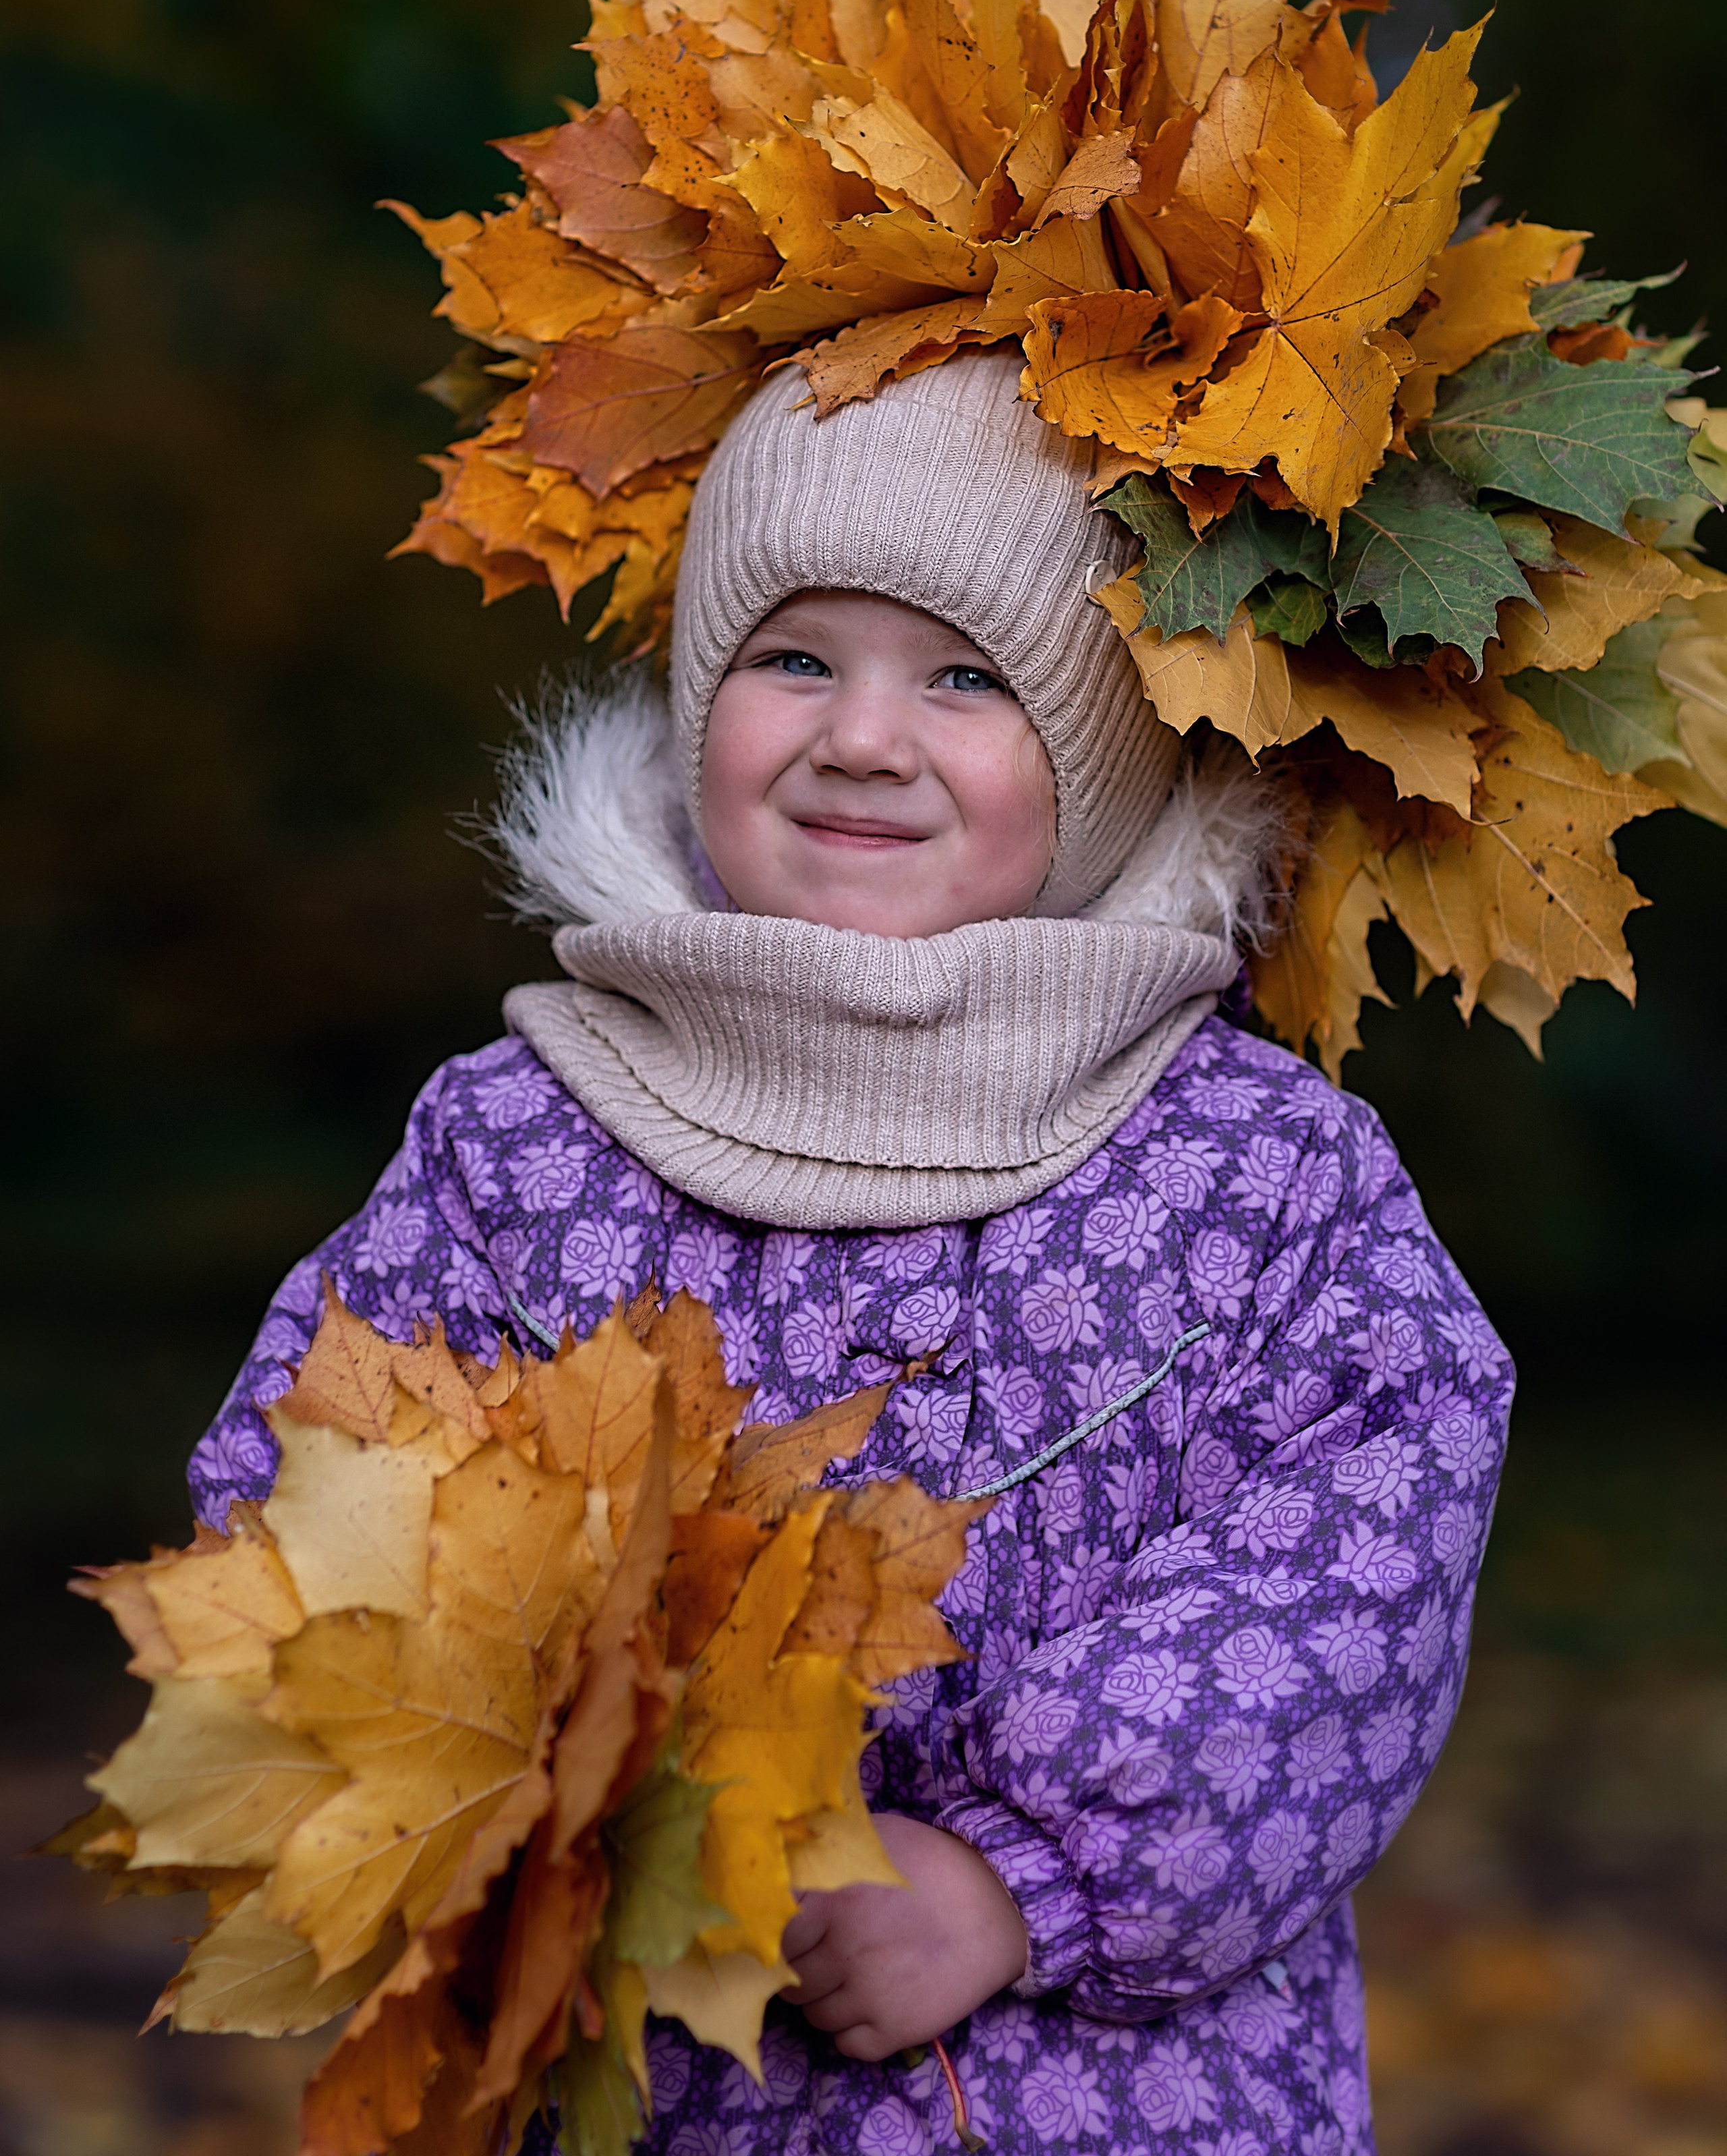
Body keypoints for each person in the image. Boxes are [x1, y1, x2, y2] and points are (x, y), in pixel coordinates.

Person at [192, 352, 1512, 2156]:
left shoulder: (1258, 1182)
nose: (863, 737)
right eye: (791, 657)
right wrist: (554, 1789)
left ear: (1112, 747)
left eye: (970, 679)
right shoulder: (523, 1145)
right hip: (648, 2085)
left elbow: (1352, 1562)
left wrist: (1022, 1873)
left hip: (1126, 2105)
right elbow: (313, 1493)